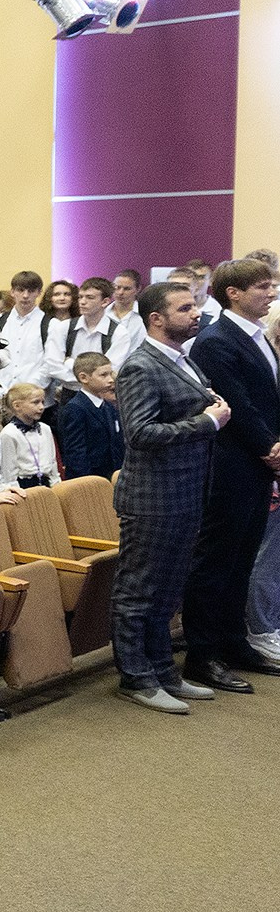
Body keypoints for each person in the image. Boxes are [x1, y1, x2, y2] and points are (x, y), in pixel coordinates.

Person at [111, 283, 228, 713]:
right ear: (156, 319)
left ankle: (163, 669)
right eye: (185, 308)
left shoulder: (182, 359)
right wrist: (206, 422)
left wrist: (210, 407)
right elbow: (141, 435)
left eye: (194, 305)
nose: (196, 313)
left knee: (167, 592)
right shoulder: (140, 366)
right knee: (138, 591)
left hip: (185, 491)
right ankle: (136, 677)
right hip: (152, 497)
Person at [179, 259, 280, 693]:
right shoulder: (215, 340)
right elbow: (235, 403)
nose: (272, 292)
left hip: (257, 462)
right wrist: (270, 448)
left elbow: (269, 399)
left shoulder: (257, 336)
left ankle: (234, 642)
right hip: (232, 463)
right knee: (216, 561)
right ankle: (201, 655)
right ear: (233, 293)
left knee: (241, 559)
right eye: (262, 286)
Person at [57, 352, 123, 480]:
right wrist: (87, 483)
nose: (110, 379)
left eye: (110, 373)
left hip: (112, 475)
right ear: (84, 378)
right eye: (103, 375)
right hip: (89, 480)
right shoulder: (75, 408)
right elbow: (76, 452)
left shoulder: (108, 406)